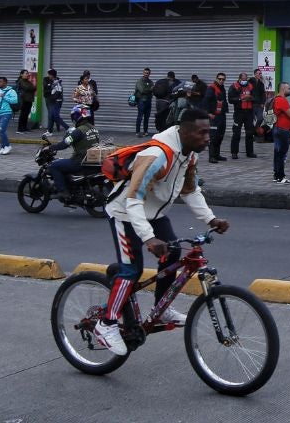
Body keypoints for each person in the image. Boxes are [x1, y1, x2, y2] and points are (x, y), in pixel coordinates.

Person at [94, 108, 229, 356]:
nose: (207, 138)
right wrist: (149, 238)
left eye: (208, 133)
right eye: (202, 133)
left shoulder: (188, 156)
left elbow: (190, 190)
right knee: (131, 270)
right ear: (185, 132)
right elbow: (133, 199)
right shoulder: (157, 155)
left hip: (153, 214)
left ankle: (161, 308)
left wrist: (210, 219)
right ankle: (106, 323)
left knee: (173, 252)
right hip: (125, 213)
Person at [49, 105, 101, 202]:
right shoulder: (93, 129)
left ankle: (63, 191)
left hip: (79, 161)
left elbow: (65, 144)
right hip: (91, 160)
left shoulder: (78, 131)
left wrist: (51, 147)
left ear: (76, 116)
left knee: (54, 166)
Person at [270, 83, 290, 185]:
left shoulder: (277, 99)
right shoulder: (281, 100)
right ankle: (280, 177)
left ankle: (277, 176)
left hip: (279, 129)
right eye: (288, 88)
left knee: (278, 154)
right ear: (283, 89)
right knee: (281, 155)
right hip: (282, 130)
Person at [228, 73, 258, 160]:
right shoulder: (234, 87)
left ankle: (250, 152)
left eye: (246, 79)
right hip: (239, 113)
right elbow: (230, 99)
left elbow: (256, 98)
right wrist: (240, 98)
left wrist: (251, 98)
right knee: (236, 133)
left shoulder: (251, 86)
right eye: (243, 79)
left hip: (249, 113)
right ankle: (234, 153)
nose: (245, 81)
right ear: (239, 79)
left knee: (249, 133)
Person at [0, 76, 19, 155]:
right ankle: (3, 147)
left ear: (5, 82)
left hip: (7, 113)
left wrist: (4, 97)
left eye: (0, 81)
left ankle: (7, 146)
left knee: (1, 129)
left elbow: (15, 101)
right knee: (0, 131)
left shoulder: (11, 91)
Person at [133, 67, 154, 136]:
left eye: (147, 73)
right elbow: (142, 91)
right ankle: (137, 132)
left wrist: (150, 90)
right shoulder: (140, 81)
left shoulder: (150, 82)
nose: (146, 74)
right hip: (141, 101)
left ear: (149, 74)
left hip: (148, 101)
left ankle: (145, 131)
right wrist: (150, 89)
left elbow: (153, 89)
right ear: (143, 73)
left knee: (146, 117)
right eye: (145, 73)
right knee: (140, 117)